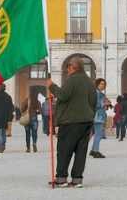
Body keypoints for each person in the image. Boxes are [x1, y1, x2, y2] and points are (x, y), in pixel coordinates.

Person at [47, 56, 98, 188]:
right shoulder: (89, 82)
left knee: (64, 150)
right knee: (81, 152)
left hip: (71, 121)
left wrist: (52, 86)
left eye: (68, 67)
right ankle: (77, 179)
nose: (66, 70)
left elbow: (63, 95)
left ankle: (61, 179)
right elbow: (93, 102)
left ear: (73, 67)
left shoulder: (72, 80)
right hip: (87, 121)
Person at [90, 78, 109, 159]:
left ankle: (94, 150)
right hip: (97, 117)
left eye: (104, 84)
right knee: (99, 134)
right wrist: (104, 104)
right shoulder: (97, 94)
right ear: (97, 84)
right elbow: (96, 105)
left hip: (98, 116)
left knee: (96, 134)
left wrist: (106, 105)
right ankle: (95, 151)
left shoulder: (100, 94)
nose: (102, 85)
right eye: (101, 84)